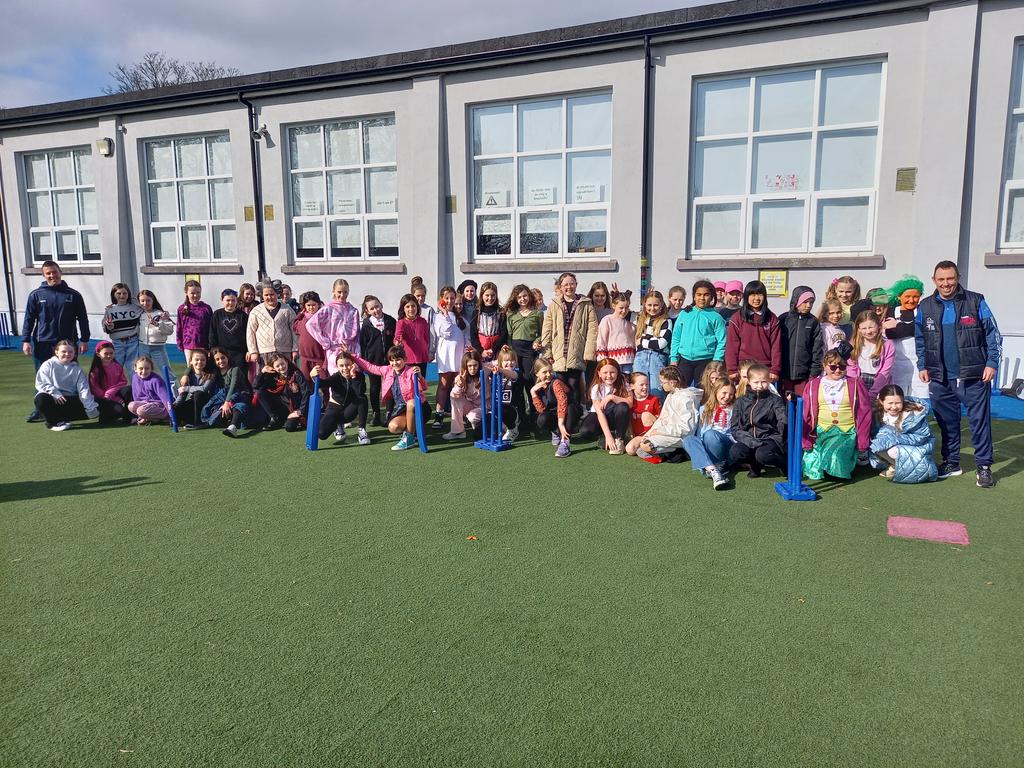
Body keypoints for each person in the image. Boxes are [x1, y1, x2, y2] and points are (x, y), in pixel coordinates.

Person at [915, 260, 1001, 488]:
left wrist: (992, 363)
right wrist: (922, 366)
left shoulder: (975, 301)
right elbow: (920, 339)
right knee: (947, 422)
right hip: (939, 376)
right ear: (934, 280)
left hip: (974, 375)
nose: (946, 284)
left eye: (950, 278)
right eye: (941, 279)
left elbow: (993, 334)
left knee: (979, 422)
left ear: (958, 277)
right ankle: (952, 462)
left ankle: (983, 466)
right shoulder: (925, 306)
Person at [21, 261, 90, 422]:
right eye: (48, 273)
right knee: (42, 376)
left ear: (60, 272)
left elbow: (83, 319)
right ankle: (41, 409)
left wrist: (84, 339)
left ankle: (72, 407)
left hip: (68, 345)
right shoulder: (36, 295)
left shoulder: (73, 295)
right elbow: (28, 319)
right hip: (43, 343)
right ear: (44, 275)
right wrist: (25, 340)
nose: (52, 275)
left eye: (54, 272)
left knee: (70, 376)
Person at [801, 350, 872, 481]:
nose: (837, 370)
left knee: (835, 456)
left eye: (842, 366)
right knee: (812, 469)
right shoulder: (813, 385)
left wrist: (862, 442)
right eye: (833, 366)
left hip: (846, 433)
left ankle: (841, 466)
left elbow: (864, 413)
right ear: (824, 365)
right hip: (820, 432)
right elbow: (806, 413)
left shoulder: (855, 383)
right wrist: (806, 440)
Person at [351, 344, 428, 451]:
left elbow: (424, 387)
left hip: (420, 408)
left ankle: (409, 437)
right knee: (393, 427)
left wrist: (419, 376)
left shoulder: (411, 371)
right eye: (392, 360)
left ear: (405, 359)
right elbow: (369, 367)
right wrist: (352, 356)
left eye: (398, 360)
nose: (395, 363)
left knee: (411, 403)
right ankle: (413, 431)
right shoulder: (387, 370)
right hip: (403, 409)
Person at [541, 272, 598, 398]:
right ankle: (563, 415)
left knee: (574, 386)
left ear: (576, 285)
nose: (569, 287)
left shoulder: (586, 304)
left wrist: (588, 353)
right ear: (560, 287)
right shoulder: (554, 305)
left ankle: (575, 415)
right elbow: (547, 330)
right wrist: (547, 352)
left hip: (577, 352)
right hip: (558, 353)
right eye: (565, 284)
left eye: (572, 283)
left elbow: (592, 330)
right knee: (561, 388)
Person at [628, 366, 700, 463]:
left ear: (672, 382)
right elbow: (662, 419)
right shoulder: (671, 395)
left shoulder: (686, 398)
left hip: (679, 437)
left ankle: (678, 451)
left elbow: (686, 428)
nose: (661, 385)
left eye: (663, 382)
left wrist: (660, 431)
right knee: (633, 448)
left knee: (645, 445)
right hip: (667, 433)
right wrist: (649, 434)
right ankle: (666, 452)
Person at [869, 385, 938, 483]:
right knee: (875, 441)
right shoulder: (877, 413)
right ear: (881, 401)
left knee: (888, 446)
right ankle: (896, 464)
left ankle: (896, 466)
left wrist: (894, 438)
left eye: (898, 403)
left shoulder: (914, 413)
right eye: (890, 403)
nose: (894, 407)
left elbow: (921, 437)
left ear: (903, 401)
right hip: (896, 444)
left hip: (919, 446)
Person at [729, 363, 786, 478]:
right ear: (749, 381)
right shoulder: (740, 401)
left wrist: (780, 439)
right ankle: (754, 465)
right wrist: (751, 442)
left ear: (769, 381)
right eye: (756, 382)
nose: (760, 386)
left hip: (769, 438)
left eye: (764, 382)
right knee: (736, 452)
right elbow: (735, 428)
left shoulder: (775, 400)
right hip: (749, 438)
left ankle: (784, 465)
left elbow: (782, 420)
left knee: (763, 454)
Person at [670, 279, 726, 386]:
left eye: (706, 295)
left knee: (703, 392)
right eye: (699, 294)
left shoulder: (716, 317)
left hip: (705, 361)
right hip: (684, 360)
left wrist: (716, 361)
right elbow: (676, 337)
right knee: (681, 391)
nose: (702, 298)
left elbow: (722, 341)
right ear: (694, 296)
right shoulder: (685, 314)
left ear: (711, 297)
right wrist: (673, 358)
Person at [33, 339, 99, 431]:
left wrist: (90, 408)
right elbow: (41, 383)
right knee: (41, 398)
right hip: (54, 399)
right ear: (56, 352)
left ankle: (63, 418)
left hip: (69, 400)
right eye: (63, 351)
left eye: (70, 352)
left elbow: (83, 389)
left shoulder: (77, 369)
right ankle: (52, 423)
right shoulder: (48, 365)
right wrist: (55, 393)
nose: (67, 354)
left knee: (106, 407)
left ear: (74, 353)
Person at [883, 276, 930, 402]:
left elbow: (923, 330)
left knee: (921, 397)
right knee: (898, 396)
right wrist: (911, 328)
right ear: (899, 297)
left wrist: (898, 326)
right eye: (907, 297)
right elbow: (891, 334)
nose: (911, 300)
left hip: (919, 363)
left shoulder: (923, 311)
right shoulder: (891, 311)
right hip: (896, 364)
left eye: (915, 297)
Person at [504, 284, 545, 428]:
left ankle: (534, 417)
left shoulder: (537, 313)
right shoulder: (511, 314)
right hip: (515, 352)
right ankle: (520, 417)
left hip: (529, 352)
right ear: (515, 298)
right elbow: (509, 335)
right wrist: (508, 349)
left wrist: (537, 341)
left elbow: (542, 333)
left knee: (529, 383)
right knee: (516, 385)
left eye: (525, 296)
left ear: (530, 296)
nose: (523, 299)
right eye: (519, 297)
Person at [683, 381, 737, 489]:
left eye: (731, 394)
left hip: (727, 444)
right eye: (724, 393)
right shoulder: (704, 408)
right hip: (708, 442)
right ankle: (713, 470)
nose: (727, 397)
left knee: (710, 434)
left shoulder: (735, 409)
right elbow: (700, 432)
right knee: (688, 439)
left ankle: (716, 465)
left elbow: (736, 432)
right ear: (716, 391)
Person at [725, 280, 781, 384]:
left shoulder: (772, 319)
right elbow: (732, 346)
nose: (756, 298)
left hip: (765, 368)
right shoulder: (737, 318)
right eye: (752, 295)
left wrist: (775, 369)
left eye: (759, 294)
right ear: (746, 297)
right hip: (744, 368)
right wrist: (732, 369)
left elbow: (776, 346)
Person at [311, 352, 371, 446]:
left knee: (362, 398)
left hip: (348, 412)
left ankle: (361, 431)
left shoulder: (359, 376)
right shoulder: (336, 377)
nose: (345, 368)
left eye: (347, 365)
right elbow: (323, 383)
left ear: (352, 364)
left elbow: (359, 392)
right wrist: (313, 376)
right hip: (334, 409)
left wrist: (354, 376)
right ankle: (337, 426)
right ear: (337, 366)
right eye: (341, 365)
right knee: (321, 434)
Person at [430, 285, 468, 430]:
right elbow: (446, 332)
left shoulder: (460, 318)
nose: (450, 301)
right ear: (442, 300)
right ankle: (439, 415)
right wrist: (445, 312)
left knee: (458, 385)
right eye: (447, 298)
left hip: (459, 356)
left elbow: (466, 335)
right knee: (444, 385)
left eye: (453, 298)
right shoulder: (439, 317)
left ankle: (458, 415)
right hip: (446, 356)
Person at [304, 278, 360, 375]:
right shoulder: (328, 309)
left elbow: (357, 334)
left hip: (350, 350)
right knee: (336, 380)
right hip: (334, 350)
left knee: (352, 380)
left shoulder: (353, 310)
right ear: (333, 291)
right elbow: (310, 325)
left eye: (345, 292)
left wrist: (357, 352)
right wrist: (325, 342)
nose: (342, 295)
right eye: (339, 292)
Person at [578, 358, 634, 454]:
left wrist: (613, 397)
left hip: (617, 414)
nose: (609, 376)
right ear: (599, 373)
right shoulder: (596, 388)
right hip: (600, 415)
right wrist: (608, 435)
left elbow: (630, 403)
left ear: (617, 372)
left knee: (623, 406)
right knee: (585, 431)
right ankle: (604, 436)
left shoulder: (624, 382)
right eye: (605, 372)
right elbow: (600, 412)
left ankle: (619, 438)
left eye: (612, 372)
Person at [358, 294, 397, 426]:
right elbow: (363, 345)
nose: (376, 310)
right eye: (372, 308)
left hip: (390, 362)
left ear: (381, 305)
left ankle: (389, 413)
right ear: (367, 311)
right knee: (375, 388)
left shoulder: (391, 321)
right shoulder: (366, 325)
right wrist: (364, 362)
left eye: (377, 306)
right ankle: (376, 414)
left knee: (390, 387)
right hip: (373, 362)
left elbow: (395, 341)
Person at [779, 286, 823, 397]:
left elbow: (817, 348)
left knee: (802, 405)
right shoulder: (783, 319)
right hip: (784, 374)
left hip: (804, 374)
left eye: (811, 302)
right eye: (805, 302)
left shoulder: (813, 322)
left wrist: (814, 371)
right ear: (796, 301)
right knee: (784, 406)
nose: (808, 305)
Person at [531, 357, 579, 457]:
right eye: (544, 372)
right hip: (555, 413)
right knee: (542, 419)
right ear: (537, 374)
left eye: (550, 371)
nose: (549, 375)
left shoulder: (556, 383)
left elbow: (563, 402)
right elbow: (542, 410)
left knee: (570, 409)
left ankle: (565, 442)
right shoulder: (538, 387)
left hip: (569, 410)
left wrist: (560, 423)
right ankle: (556, 432)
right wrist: (533, 393)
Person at [203, 347, 253, 437]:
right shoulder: (216, 372)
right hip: (225, 397)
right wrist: (186, 374)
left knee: (240, 406)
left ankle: (233, 427)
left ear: (228, 357)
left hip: (240, 395)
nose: (221, 361)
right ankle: (214, 421)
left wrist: (227, 403)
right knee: (212, 407)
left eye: (223, 358)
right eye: (217, 359)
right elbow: (201, 367)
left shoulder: (235, 370)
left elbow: (233, 387)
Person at [254, 352, 309, 433]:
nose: (281, 367)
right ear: (273, 368)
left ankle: (298, 420)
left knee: (289, 428)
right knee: (260, 392)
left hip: (296, 408)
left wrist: (300, 411)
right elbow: (256, 386)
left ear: (286, 362)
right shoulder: (273, 376)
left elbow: (306, 393)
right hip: (282, 407)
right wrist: (262, 372)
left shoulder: (296, 374)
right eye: (277, 366)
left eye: (282, 364)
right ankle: (275, 418)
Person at [633, 290, 672, 401]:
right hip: (640, 357)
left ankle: (657, 414)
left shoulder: (666, 321)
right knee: (639, 388)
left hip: (657, 358)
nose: (652, 308)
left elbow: (661, 343)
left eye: (656, 305)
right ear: (644, 304)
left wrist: (642, 341)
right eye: (649, 305)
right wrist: (650, 340)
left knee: (656, 389)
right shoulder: (640, 319)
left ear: (661, 305)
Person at [246, 282, 298, 366]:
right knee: (266, 377)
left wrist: (295, 349)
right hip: (264, 353)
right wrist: (253, 351)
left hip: (284, 351)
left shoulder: (287, 310)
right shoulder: (256, 311)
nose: (269, 297)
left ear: (277, 294)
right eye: (266, 295)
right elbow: (250, 332)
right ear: (262, 296)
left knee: (285, 376)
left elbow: (295, 331)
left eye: (272, 294)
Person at [847, 311, 894, 400]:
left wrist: (873, 393)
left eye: (871, 327)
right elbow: (851, 368)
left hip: (880, 383)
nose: (868, 331)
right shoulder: (853, 344)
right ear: (858, 329)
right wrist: (855, 387)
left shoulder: (887, 345)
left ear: (879, 326)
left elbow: (885, 371)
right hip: (860, 382)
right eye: (864, 328)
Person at [88, 340, 132, 424]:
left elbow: (123, 381)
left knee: (129, 389)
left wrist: (111, 393)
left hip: (112, 394)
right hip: (102, 399)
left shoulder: (117, 366)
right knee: (119, 411)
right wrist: (109, 397)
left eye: (111, 353)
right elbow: (94, 388)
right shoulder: (95, 370)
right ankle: (106, 417)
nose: (109, 356)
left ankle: (129, 417)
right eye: (106, 353)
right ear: (98, 354)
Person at [102, 283, 144, 370]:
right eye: (118, 293)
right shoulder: (109, 310)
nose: (122, 295)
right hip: (117, 343)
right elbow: (106, 329)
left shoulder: (135, 307)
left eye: (125, 293)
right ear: (114, 294)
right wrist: (110, 326)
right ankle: (115, 384)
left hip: (133, 341)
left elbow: (145, 306)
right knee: (116, 368)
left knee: (133, 368)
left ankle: (135, 384)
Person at [174, 348, 219, 429]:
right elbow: (183, 393)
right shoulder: (188, 374)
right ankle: (183, 421)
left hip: (208, 402)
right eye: (197, 360)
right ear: (191, 361)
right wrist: (176, 404)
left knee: (198, 394)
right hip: (194, 402)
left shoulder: (211, 373)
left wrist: (186, 388)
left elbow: (204, 389)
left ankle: (198, 422)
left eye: (202, 360)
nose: (199, 362)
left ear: (206, 361)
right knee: (177, 408)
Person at [444, 349, 483, 440]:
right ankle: (458, 432)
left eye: (475, 365)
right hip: (472, 406)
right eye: (469, 366)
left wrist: (504, 352)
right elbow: (454, 395)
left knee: (472, 417)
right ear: (465, 366)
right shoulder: (461, 377)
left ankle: (482, 424)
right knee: (455, 397)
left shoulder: (485, 370)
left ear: (479, 364)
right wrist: (459, 384)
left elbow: (497, 363)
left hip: (486, 406)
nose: (472, 369)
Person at [136, 289, 175, 376]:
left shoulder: (161, 314)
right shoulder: (138, 314)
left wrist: (158, 324)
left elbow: (170, 330)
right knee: (144, 372)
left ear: (153, 301)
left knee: (166, 372)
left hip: (158, 347)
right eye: (142, 301)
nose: (145, 303)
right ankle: (146, 389)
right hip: (142, 347)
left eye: (148, 300)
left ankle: (173, 389)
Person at [208, 288, 249, 369]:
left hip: (239, 353)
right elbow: (212, 333)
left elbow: (248, 334)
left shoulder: (242, 315)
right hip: (221, 353)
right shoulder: (217, 314)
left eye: (233, 300)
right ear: (222, 300)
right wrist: (212, 349)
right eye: (228, 300)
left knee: (238, 376)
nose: (231, 303)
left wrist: (249, 350)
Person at [596, 295, 636, 373]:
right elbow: (601, 342)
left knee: (627, 383)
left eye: (627, 307)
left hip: (629, 361)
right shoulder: (607, 320)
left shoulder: (631, 321)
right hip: (613, 361)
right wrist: (603, 362)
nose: (624, 311)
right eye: (621, 308)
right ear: (614, 306)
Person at [176, 280, 213, 364]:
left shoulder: (206, 308)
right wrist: (180, 344)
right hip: (189, 345)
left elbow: (211, 328)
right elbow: (179, 327)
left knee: (205, 370)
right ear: (186, 293)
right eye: (192, 293)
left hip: (203, 345)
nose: (195, 295)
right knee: (191, 370)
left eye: (198, 292)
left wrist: (211, 345)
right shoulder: (182, 309)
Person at [394, 294, 431, 379]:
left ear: (417, 307)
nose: (411, 309)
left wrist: (426, 351)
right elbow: (398, 335)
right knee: (408, 385)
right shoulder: (401, 322)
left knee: (421, 383)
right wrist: (397, 341)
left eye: (413, 306)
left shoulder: (423, 321)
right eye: (407, 307)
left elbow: (426, 338)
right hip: (408, 359)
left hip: (421, 358)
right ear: (403, 308)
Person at [128, 355, 171, 425]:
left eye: (147, 368)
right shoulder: (135, 378)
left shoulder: (156, 380)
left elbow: (165, 398)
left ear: (151, 369)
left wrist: (172, 415)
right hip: (146, 404)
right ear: (135, 369)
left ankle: (165, 417)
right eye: (141, 368)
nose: (144, 371)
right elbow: (136, 396)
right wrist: (141, 417)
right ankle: (151, 419)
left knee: (140, 410)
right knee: (131, 406)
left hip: (159, 405)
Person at [470, 281, 507, 361]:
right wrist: (481, 351)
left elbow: (504, 333)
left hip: (496, 350)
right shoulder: (476, 312)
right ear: (482, 296)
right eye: (487, 295)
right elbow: (473, 335)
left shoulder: (500, 312)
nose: (490, 298)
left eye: (493, 295)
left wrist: (493, 349)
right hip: (481, 351)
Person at [293, 291, 326, 380]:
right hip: (305, 358)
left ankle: (326, 395)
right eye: (308, 305)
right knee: (306, 383)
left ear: (318, 304)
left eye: (313, 305)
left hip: (319, 358)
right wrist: (300, 314)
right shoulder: (301, 319)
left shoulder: (322, 318)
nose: (311, 307)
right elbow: (295, 328)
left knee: (323, 382)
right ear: (304, 306)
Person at [628, 372, 662, 441]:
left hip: (651, 435)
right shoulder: (630, 401)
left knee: (645, 415)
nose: (645, 387)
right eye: (641, 385)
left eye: (646, 384)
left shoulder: (654, 400)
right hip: (637, 437)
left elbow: (661, 419)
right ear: (632, 386)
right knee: (630, 449)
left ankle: (651, 442)